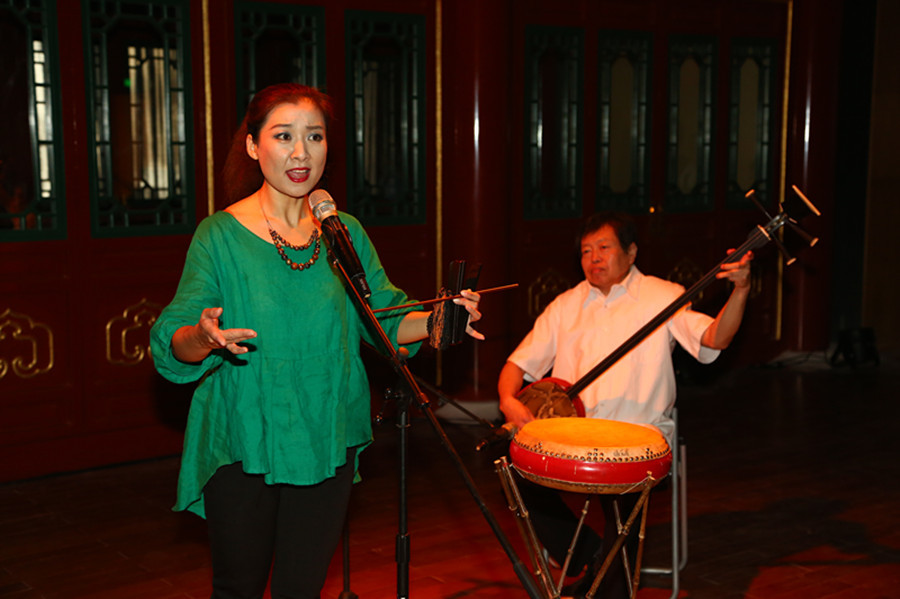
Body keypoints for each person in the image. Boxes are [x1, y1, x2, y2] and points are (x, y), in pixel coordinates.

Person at [149, 83, 482, 599]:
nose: (301, 152)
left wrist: (442, 319)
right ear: (254, 146)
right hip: (245, 435)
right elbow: (176, 336)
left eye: (315, 137)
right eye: (284, 136)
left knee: (301, 589)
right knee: (239, 587)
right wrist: (204, 336)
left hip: (324, 432)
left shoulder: (341, 229)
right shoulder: (218, 235)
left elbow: (387, 316)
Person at [497, 211, 752, 598]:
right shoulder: (566, 305)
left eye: (604, 248)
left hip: (638, 438)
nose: (593, 258)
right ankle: (584, 551)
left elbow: (714, 339)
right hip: (575, 435)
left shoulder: (663, 296)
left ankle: (601, 585)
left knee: (623, 506)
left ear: (631, 252)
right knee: (510, 463)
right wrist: (506, 401)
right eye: (586, 250)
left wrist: (741, 290)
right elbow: (517, 364)